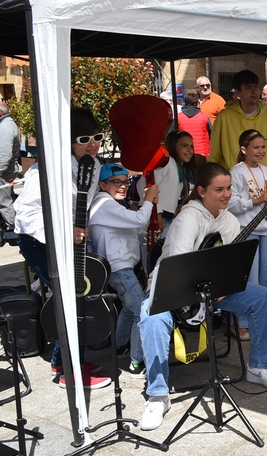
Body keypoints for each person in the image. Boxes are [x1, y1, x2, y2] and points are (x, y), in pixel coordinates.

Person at [138, 162, 267, 431]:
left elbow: (229, 260)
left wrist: (225, 282)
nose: (227, 194)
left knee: (260, 296)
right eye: (219, 189)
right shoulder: (188, 217)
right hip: (172, 285)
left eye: (229, 188)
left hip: (210, 289)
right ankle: (157, 394)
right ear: (201, 191)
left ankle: (260, 366)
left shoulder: (228, 219)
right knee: (151, 318)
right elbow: (181, 263)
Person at [14, 107, 110, 389]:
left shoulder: (92, 165)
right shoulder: (47, 170)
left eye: (97, 137)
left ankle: (65, 360)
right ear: (68, 141)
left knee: (77, 294)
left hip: (71, 239)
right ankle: (68, 371)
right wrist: (65, 231)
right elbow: (27, 215)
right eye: (84, 138)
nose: (93, 144)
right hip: (38, 240)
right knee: (69, 297)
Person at [88, 163, 159, 377]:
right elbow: (139, 220)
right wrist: (147, 201)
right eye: (115, 182)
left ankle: (119, 346)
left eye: (125, 182)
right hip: (120, 270)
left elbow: (137, 227)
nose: (123, 186)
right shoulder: (104, 204)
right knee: (142, 311)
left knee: (129, 308)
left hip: (119, 268)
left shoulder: (110, 204)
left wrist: (146, 208)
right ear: (102, 185)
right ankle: (137, 361)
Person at [228, 130, 267, 304]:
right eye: (256, 147)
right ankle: (244, 321)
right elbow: (230, 203)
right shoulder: (236, 172)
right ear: (244, 149)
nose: (261, 151)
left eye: (263, 146)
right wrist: (254, 201)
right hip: (247, 230)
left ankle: (264, 312)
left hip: (266, 230)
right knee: (250, 277)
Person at [208, 70, 267, 179]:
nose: (254, 91)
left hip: (265, 183)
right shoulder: (224, 117)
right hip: (234, 184)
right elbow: (215, 155)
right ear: (238, 93)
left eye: (256, 86)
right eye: (248, 87)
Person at [149, 131, 205, 236]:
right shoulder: (167, 162)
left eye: (191, 146)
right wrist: (157, 212)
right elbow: (144, 184)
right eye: (184, 146)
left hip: (167, 218)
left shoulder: (179, 167)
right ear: (173, 146)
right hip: (157, 217)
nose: (190, 150)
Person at [0, 102, 21, 230]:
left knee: (4, 201)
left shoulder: (5, 128)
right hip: (7, 170)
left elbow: (3, 154)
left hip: (3, 172)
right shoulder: (7, 124)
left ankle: (11, 227)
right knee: (7, 198)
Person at [177, 93, 212, 158]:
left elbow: (172, 135)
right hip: (203, 153)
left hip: (184, 153)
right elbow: (213, 133)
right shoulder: (204, 116)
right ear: (197, 103)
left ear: (185, 103)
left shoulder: (178, 117)